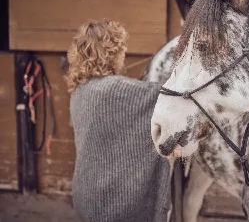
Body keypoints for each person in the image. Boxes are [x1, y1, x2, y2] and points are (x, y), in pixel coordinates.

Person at [65, 19, 171, 222]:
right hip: (114, 201)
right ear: (110, 52)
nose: (124, 53)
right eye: (121, 48)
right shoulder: (117, 89)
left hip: (85, 194)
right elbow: (165, 95)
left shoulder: (79, 90)